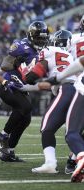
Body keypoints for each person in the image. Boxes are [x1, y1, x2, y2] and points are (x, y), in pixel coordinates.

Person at [22, 29, 76, 173]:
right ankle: (74, 162)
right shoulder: (70, 56)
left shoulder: (49, 50)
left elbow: (35, 74)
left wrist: (27, 74)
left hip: (66, 90)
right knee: (74, 132)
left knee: (47, 127)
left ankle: (51, 164)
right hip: (78, 91)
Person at [0, 21, 50, 162]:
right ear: (31, 36)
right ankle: (3, 135)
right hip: (9, 86)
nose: (41, 41)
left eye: (43, 39)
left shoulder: (45, 50)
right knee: (25, 107)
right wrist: (15, 63)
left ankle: (9, 153)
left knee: (26, 119)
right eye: (38, 38)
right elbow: (4, 65)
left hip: (23, 88)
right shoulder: (21, 46)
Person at [45, 16, 84, 182]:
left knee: (72, 132)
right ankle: (74, 159)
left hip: (79, 85)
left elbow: (79, 61)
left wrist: (59, 77)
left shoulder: (74, 39)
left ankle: (78, 158)